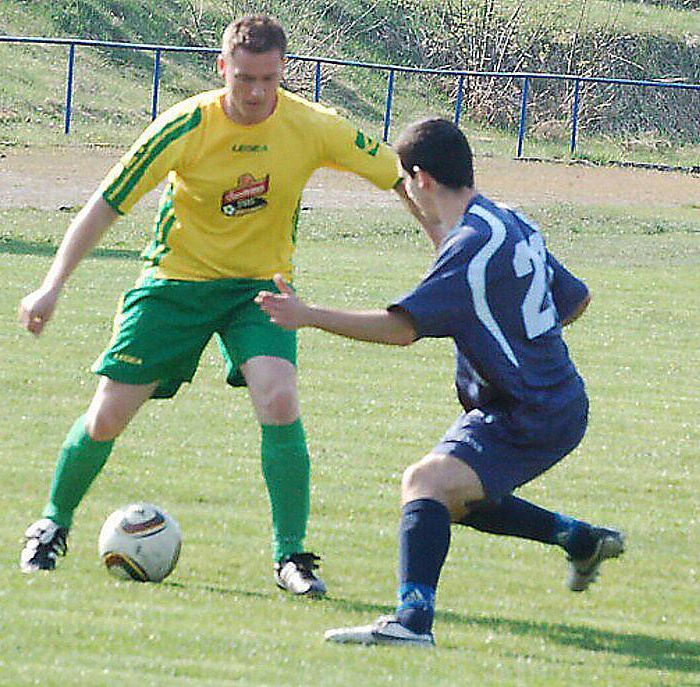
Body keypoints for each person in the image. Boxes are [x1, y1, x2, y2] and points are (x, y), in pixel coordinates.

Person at [17, 15, 404, 596]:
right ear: (222, 68)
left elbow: (398, 172)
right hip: (175, 283)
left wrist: (447, 244)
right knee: (108, 416)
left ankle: (291, 557)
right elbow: (104, 205)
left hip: (258, 289)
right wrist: (51, 285)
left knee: (279, 398)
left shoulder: (312, 126)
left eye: (268, 79)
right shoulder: (185, 126)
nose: (254, 92)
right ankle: (51, 525)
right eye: (244, 77)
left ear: (283, 73)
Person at [256, 118, 625, 642]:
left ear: (421, 179)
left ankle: (412, 622)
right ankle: (579, 539)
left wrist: (307, 314)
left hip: (531, 410)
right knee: (449, 495)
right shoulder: (508, 221)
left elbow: (401, 329)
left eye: (407, 182)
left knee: (424, 484)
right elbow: (576, 299)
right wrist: (520, 342)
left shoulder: (471, 246)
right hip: (547, 399)